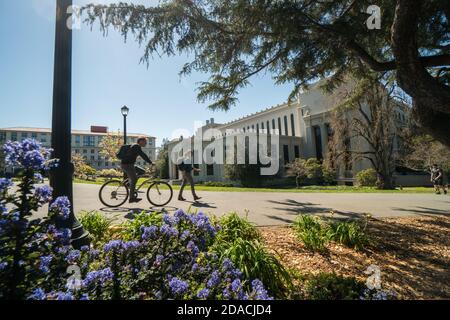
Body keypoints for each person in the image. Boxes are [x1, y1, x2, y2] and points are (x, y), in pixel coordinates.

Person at [121, 137, 153, 203]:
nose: (146, 143)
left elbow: (141, 155)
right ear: (141, 141)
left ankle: (131, 182)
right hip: (127, 165)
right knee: (134, 179)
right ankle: (131, 198)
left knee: (142, 171)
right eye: (145, 142)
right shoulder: (136, 146)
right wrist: (150, 162)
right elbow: (143, 155)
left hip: (130, 165)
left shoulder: (136, 146)